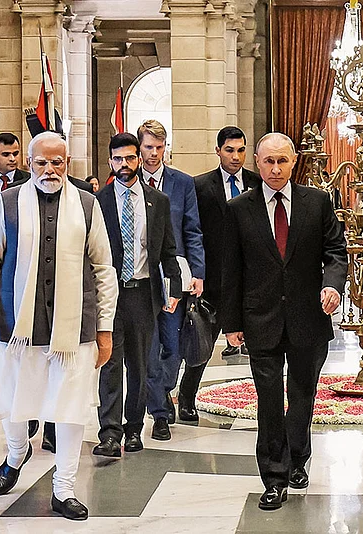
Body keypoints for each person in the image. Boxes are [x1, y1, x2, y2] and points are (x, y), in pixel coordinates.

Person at [0, 131, 118, 520]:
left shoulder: (87, 204)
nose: (50, 170)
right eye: (42, 162)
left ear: (67, 163)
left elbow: (103, 267)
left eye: (57, 162)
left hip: (75, 329)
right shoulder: (9, 202)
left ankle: (63, 488)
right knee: (13, 404)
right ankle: (17, 453)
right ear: (29, 164)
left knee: (70, 410)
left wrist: (104, 328)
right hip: (15, 326)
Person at [221, 132, 347, 511]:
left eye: (282, 161)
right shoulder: (238, 209)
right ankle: (274, 478)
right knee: (270, 400)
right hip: (260, 318)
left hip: (309, 317)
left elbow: (335, 251)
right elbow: (231, 269)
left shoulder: (317, 202)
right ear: (257, 163)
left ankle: (298, 458)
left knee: (303, 394)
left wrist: (332, 285)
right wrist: (231, 323)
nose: (275, 169)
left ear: (294, 162)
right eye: (268, 161)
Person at [94, 132, 182, 457]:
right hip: (109, 294)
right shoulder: (97, 202)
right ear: (110, 161)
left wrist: (173, 288)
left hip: (143, 293)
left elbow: (168, 250)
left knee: (140, 366)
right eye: (118, 159)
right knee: (109, 363)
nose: (124, 164)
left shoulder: (157, 201)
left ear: (139, 159)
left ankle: (133, 429)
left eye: (130, 158)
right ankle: (109, 433)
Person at [184, 126, 261, 421]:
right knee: (203, 344)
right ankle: (187, 398)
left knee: (259, 347)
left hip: (250, 279)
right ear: (218, 151)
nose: (235, 156)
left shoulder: (257, 183)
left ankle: (264, 400)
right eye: (229, 150)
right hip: (214, 279)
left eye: (241, 150)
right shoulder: (200, 186)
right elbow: (193, 232)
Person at [137, 119, 205, 440]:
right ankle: (159, 413)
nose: (154, 153)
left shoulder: (182, 183)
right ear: (140, 147)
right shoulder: (129, 180)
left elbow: (192, 230)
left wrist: (198, 272)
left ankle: (163, 389)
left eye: (159, 147)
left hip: (174, 273)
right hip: (140, 276)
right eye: (148, 147)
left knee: (173, 344)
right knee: (150, 347)